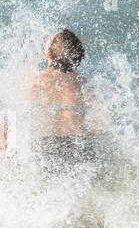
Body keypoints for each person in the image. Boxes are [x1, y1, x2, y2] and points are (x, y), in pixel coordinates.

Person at [26, 29, 105, 164]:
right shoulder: (84, 83)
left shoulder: (35, 80)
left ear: (49, 52)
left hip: (46, 145)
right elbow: (100, 121)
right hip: (80, 145)